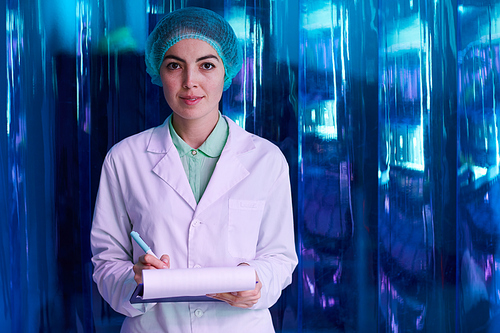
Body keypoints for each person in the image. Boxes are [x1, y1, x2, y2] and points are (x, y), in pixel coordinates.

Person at [91, 6, 297, 332]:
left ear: (227, 70)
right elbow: (106, 265)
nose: (190, 82)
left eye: (206, 65)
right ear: (158, 71)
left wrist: (257, 283)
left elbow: (280, 258)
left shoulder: (265, 160)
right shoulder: (124, 159)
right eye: (175, 65)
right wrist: (136, 280)